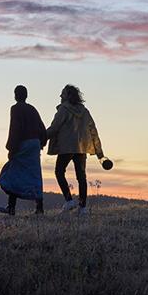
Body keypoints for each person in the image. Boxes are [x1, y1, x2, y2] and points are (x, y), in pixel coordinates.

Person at [45, 84, 104, 217]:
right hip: (81, 148)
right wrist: (100, 153)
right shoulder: (85, 111)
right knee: (81, 176)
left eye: (63, 94)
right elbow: (93, 131)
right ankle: (82, 208)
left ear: (68, 96)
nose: (60, 96)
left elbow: (54, 128)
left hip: (66, 147)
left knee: (59, 172)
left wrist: (40, 137)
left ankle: (69, 200)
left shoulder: (63, 110)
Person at [0, 85, 48, 215]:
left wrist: (11, 149)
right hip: (35, 145)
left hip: (23, 144)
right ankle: (39, 207)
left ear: (15, 95)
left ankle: (11, 207)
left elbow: (15, 129)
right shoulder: (32, 109)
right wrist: (41, 142)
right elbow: (42, 127)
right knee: (35, 175)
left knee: (12, 173)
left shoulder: (15, 109)